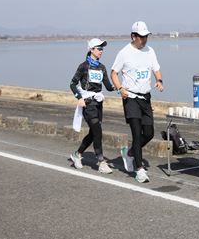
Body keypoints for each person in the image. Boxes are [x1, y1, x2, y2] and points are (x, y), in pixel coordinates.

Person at [111, 21, 164, 183]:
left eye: (146, 36)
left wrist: (159, 80)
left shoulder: (150, 51)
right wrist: (120, 89)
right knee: (136, 132)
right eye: (141, 37)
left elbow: (156, 69)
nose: (144, 39)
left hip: (145, 98)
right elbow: (114, 73)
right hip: (131, 98)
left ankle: (130, 153)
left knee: (148, 133)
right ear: (133, 36)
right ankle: (139, 169)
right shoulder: (124, 53)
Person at [69, 38, 116, 173]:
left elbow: (108, 86)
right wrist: (79, 98)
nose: (101, 51)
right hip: (87, 103)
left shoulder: (102, 67)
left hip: (98, 104)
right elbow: (72, 84)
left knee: (93, 132)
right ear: (91, 49)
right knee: (98, 131)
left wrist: (118, 87)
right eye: (99, 48)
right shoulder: (83, 66)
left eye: (102, 49)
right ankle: (101, 162)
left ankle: (77, 154)